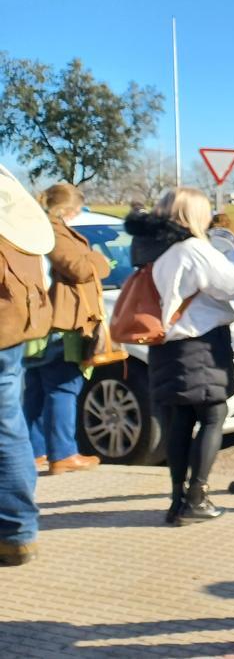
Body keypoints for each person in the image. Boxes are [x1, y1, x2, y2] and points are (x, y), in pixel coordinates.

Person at [126, 188, 234, 524]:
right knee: (213, 415)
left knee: (179, 422)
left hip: (165, 345)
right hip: (200, 344)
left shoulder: (150, 247)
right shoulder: (193, 249)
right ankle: (197, 497)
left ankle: (177, 499)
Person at [25, 183, 109, 475]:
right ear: (66, 209)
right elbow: (79, 268)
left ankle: (36, 452)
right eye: (76, 209)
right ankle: (63, 454)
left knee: (37, 390)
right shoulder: (52, 230)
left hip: (40, 323)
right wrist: (100, 259)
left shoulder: (33, 226)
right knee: (63, 387)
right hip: (61, 322)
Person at [0, 164, 54, 566]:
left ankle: (17, 528)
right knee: (10, 427)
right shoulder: (19, 239)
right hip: (12, 335)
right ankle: (18, 530)